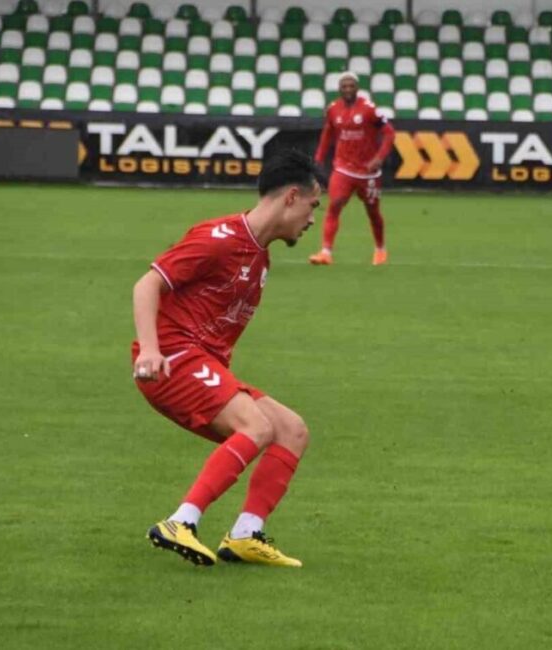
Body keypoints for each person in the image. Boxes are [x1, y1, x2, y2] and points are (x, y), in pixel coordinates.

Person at [133, 149, 320, 568]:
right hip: (172, 358)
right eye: (313, 205)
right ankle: (180, 521)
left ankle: (245, 534)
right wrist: (149, 349)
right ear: (291, 196)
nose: (313, 219)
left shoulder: (259, 257)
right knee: (255, 425)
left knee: (291, 429)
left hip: (201, 363)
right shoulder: (218, 238)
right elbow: (147, 285)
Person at [309, 71, 396, 266]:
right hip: (343, 169)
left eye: (351, 85)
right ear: (339, 88)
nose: (348, 89)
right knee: (334, 206)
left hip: (368, 172)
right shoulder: (333, 109)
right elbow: (327, 134)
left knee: (373, 212)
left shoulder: (369, 109)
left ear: (357, 88)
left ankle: (380, 250)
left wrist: (379, 158)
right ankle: (325, 252)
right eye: (344, 86)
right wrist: (319, 158)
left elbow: (389, 133)